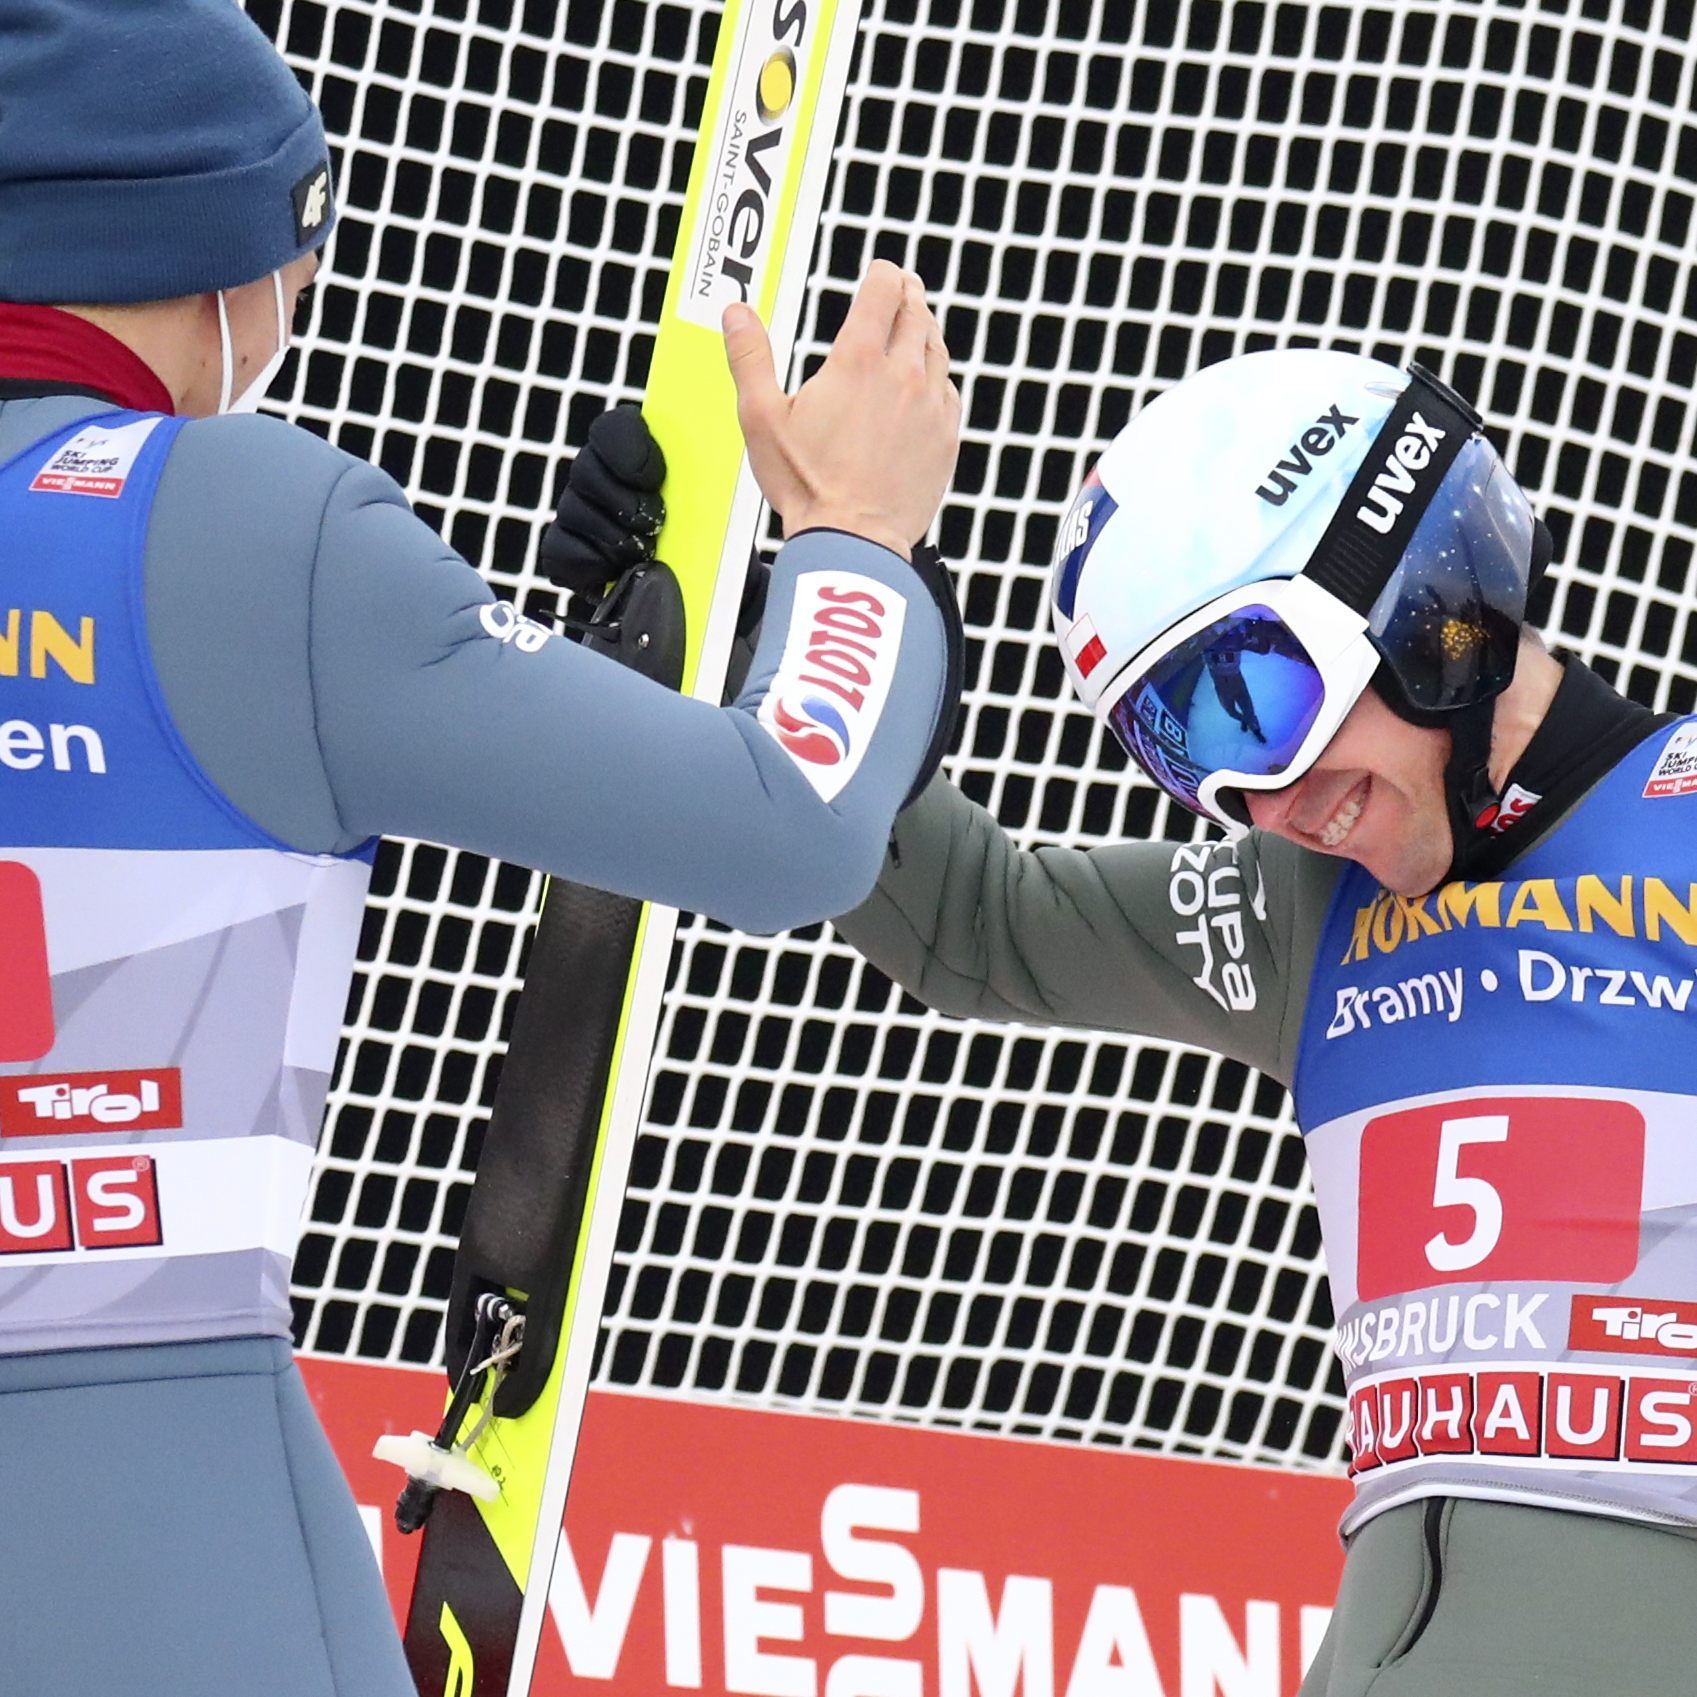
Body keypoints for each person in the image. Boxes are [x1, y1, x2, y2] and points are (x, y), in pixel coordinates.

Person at [0, 2, 959, 1693]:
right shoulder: (244, 526)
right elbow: (791, 814)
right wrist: (854, 540)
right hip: (143, 1470)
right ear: (207, 255)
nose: (293, 310)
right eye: (299, 252)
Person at [579, 348, 1697, 1694]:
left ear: (1421, 602)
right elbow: (974, 925)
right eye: (1178, 745)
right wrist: (773, 603)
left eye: (1252, 701)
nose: (1254, 796)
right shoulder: (1308, 910)